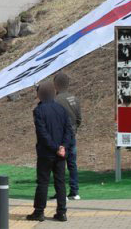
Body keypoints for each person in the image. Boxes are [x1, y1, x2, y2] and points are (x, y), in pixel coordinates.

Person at [27, 81, 73, 223]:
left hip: (46, 153)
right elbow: (68, 130)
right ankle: (62, 212)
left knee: (43, 182)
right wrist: (63, 147)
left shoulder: (38, 111)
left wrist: (54, 147)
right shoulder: (61, 109)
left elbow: (43, 133)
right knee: (60, 182)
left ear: (40, 95)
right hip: (61, 153)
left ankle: (39, 211)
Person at [53, 72, 81, 200]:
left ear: (56, 85)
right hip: (72, 136)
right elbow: (79, 119)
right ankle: (74, 192)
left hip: (60, 138)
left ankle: (61, 193)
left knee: (59, 165)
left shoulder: (55, 100)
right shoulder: (74, 98)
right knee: (72, 164)